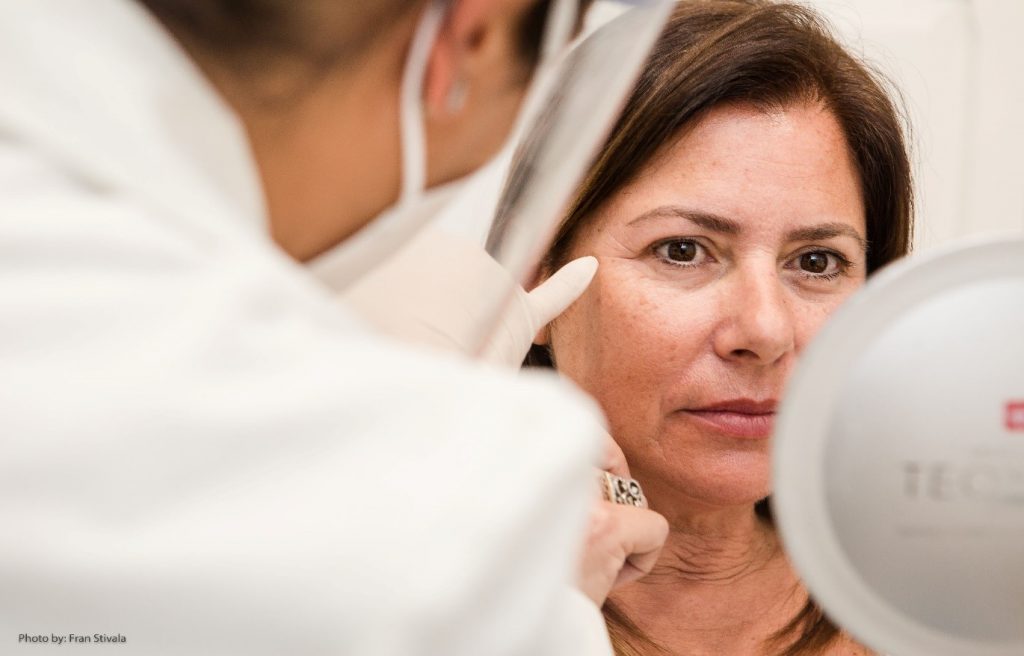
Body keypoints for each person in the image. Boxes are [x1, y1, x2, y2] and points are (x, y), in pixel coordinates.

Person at [0, 0, 667, 653]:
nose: (762, 329)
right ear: (472, 36)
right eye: (681, 248)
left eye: (782, 260)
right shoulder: (446, 521)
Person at [526, 1, 914, 654]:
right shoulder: (411, 592)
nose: (764, 330)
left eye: (817, 261)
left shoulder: (932, 604)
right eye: (682, 250)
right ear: (537, 271)